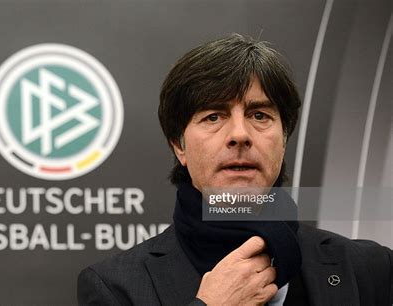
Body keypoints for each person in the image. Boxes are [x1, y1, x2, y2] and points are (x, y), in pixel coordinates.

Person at [77, 34, 392, 305]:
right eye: (213, 116)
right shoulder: (116, 287)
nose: (240, 134)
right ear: (179, 146)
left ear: (284, 140)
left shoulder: (369, 269)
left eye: (259, 115)